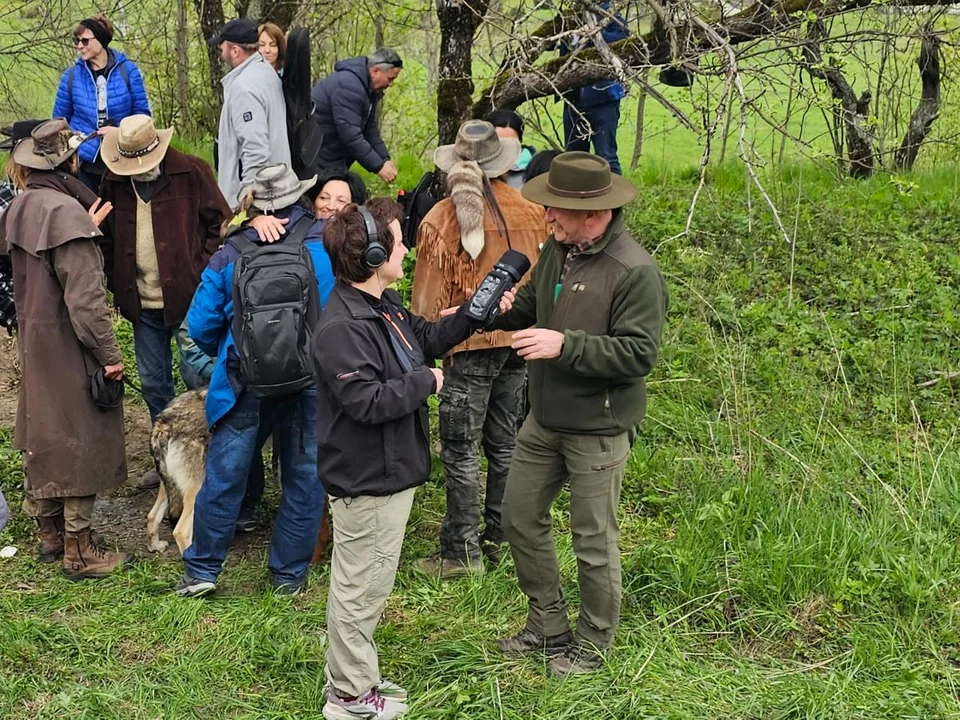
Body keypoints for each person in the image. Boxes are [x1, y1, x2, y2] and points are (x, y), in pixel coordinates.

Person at [312, 199, 515, 720]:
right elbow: (366, 401)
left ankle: (352, 678)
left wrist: (475, 312)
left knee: (365, 584)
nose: (406, 248)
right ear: (374, 255)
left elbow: (424, 339)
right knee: (361, 591)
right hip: (368, 478)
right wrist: (427, 381)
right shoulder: (343, 329)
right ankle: (352, 699)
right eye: (399, 241)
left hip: (388, 472)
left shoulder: (382, 307)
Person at [490, 151, 668, 676]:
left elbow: (639, 355)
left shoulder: (634, 272)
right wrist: (488, 313)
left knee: (592, 540)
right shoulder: (558, 251)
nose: (546, 218)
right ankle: (547, 626)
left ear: (593, 213)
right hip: (544, 419)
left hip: (599, 427)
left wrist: (564, 345)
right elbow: (533, 308)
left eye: (556, 211)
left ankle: (592, 644)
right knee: (518, 517)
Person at [175, 164, 334, 598]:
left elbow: (201, 326)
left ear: (254, 204)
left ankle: (203, 571)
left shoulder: (231, 252)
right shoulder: (327, 244)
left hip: (243, 380)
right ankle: (288, 577)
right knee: (303, 477)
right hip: (310, 381)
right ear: (300, 198)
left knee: (226, 476)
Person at [411, 120, 545, 579]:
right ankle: (502, 537)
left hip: (467, 342)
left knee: (462, 447)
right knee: (505, 443)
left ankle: (460, 553)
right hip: (520, 338)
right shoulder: (530, 208)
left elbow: (428, 301)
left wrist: (424, 345)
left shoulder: (442, 218)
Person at [0, 119, 133, 579]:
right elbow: (87, 303)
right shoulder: (65, 214)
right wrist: (111, 356)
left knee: (44, 432)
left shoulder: (20, 206)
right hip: (69, 345)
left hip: (35, 343)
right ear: (68, 159)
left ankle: (49, 533)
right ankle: (79, 550)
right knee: (81, 437)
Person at [97, 114, 232, 489]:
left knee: (200, 376)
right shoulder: (114, 181)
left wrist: (202, 271)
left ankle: (216, 452)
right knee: (154, 382)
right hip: (142, 303)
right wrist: (116, 276)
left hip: (192, 301)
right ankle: (167, 463)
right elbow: (105, 235)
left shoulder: (192, 172)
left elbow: (221, 225)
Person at [53, 15, 151, 193]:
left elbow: (142, 117)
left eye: (85, 41)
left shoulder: (128, 71)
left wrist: (119, 133)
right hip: (83, 165)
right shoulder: (71, 76)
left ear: (101, 40)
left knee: (120, 215)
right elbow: (59, 122)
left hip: (122, 160)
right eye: (77, 41)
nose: (79, 46)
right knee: (87, 216)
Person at [209, 18, 291, 211]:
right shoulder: (266, 73)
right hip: (276, 191)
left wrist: (246, 202)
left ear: (235, 50)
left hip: (258, 201)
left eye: (223, 47)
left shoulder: (244, 87)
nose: (221, 52)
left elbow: (256, 149)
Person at [310, 49, 402, 182]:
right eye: (390, 78)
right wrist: (378, 166)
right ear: (376, 71)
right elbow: (350, 134)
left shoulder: (367, 89)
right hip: (318, 156)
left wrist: (384, 159)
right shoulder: (349, 86)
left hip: (331, 156)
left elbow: (369, 130)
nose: (391, 84)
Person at [559, 3, 629, 174]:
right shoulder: (571, 13)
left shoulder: (607, 11)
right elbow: (556, 42)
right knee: (573, 158)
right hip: (573, 98)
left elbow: (624, 37)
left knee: (606, 157)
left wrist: (594, 33)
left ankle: (615, 200)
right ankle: (577, 199)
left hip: (602, 98)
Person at [249, 168, 367, 243]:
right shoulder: (293, 224)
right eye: (324, 198)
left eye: (341, 201)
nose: (331, 206)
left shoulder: (362, 240)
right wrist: (255, 221)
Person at [485, 109, 537, 189]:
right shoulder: (475, 170)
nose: (506, 149)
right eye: (500, 143)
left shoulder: (536, 170)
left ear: (520, 142)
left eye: (511, 143)